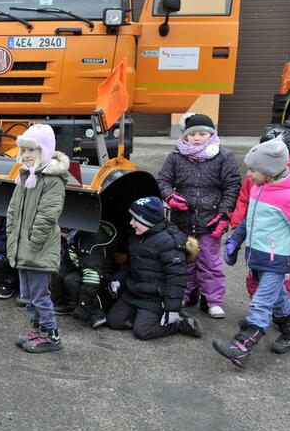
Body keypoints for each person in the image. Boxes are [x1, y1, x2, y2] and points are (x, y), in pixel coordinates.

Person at [213, 139, 290, 368]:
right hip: (257, 254)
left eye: (253, 170)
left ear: (270, 172)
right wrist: (235, 240)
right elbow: (249, 219)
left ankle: (242, 346)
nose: (249, 174)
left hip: (277, 259)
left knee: (261, 303)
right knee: (276, 298)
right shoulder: (259, 187)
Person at [158, 113, 241, 319]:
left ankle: (213, 300)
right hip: (182, 220)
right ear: (185, 136)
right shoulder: (176, 156)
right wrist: (170, 196)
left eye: (202, 134)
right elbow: (163, 181)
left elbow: (232, 186)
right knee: (184, 260)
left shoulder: (223, 156)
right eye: (192, 134)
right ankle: (185, 294)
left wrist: (224, 215)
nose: (197, 138)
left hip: (210, 221)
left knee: (209, 262)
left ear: (211, 134)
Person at [7, 123, 69, 353]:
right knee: (28, 296)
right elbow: (13, 210)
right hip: (23, 247)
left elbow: (47, 216)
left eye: (32, 150)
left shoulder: (52, 180)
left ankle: (51, 336)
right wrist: (12, 236)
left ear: (44, 150)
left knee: (40, 296)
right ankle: (37, 329)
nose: (26, 155)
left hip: (37, 249)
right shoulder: (24, 177)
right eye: (24, 150)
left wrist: (32, 244)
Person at [106, 197, 203, 340]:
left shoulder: (169, 242)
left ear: (148, 221)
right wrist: (118, 280)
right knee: (114, 321)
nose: (131, 223)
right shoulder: (137, 236)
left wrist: (172, 309)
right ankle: (145, 317)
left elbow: (176, 279)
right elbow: (130, 263)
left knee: (142, 332)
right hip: (134, 292)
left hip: (154, 298)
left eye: (135, 220)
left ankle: (179, 323)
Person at [231, 122, 290, 299]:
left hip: (277, 247)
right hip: (256, 239)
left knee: (279, 280)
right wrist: (237, 225)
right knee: (253, 276)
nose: (249, 174)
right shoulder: (254, 175)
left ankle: (280, 314)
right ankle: (259, 307)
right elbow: (244, 198)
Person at [52, 221, 118, 329]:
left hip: (100, 276)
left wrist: (84, 304)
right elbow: (69, 261)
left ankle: (95, 314)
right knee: (58, 272)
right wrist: (65, 239)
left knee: (72, 280)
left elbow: (92, 275)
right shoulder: (76, 234)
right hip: (83, 268)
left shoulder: (92, 237)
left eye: (64, 228)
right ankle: (68, 304)